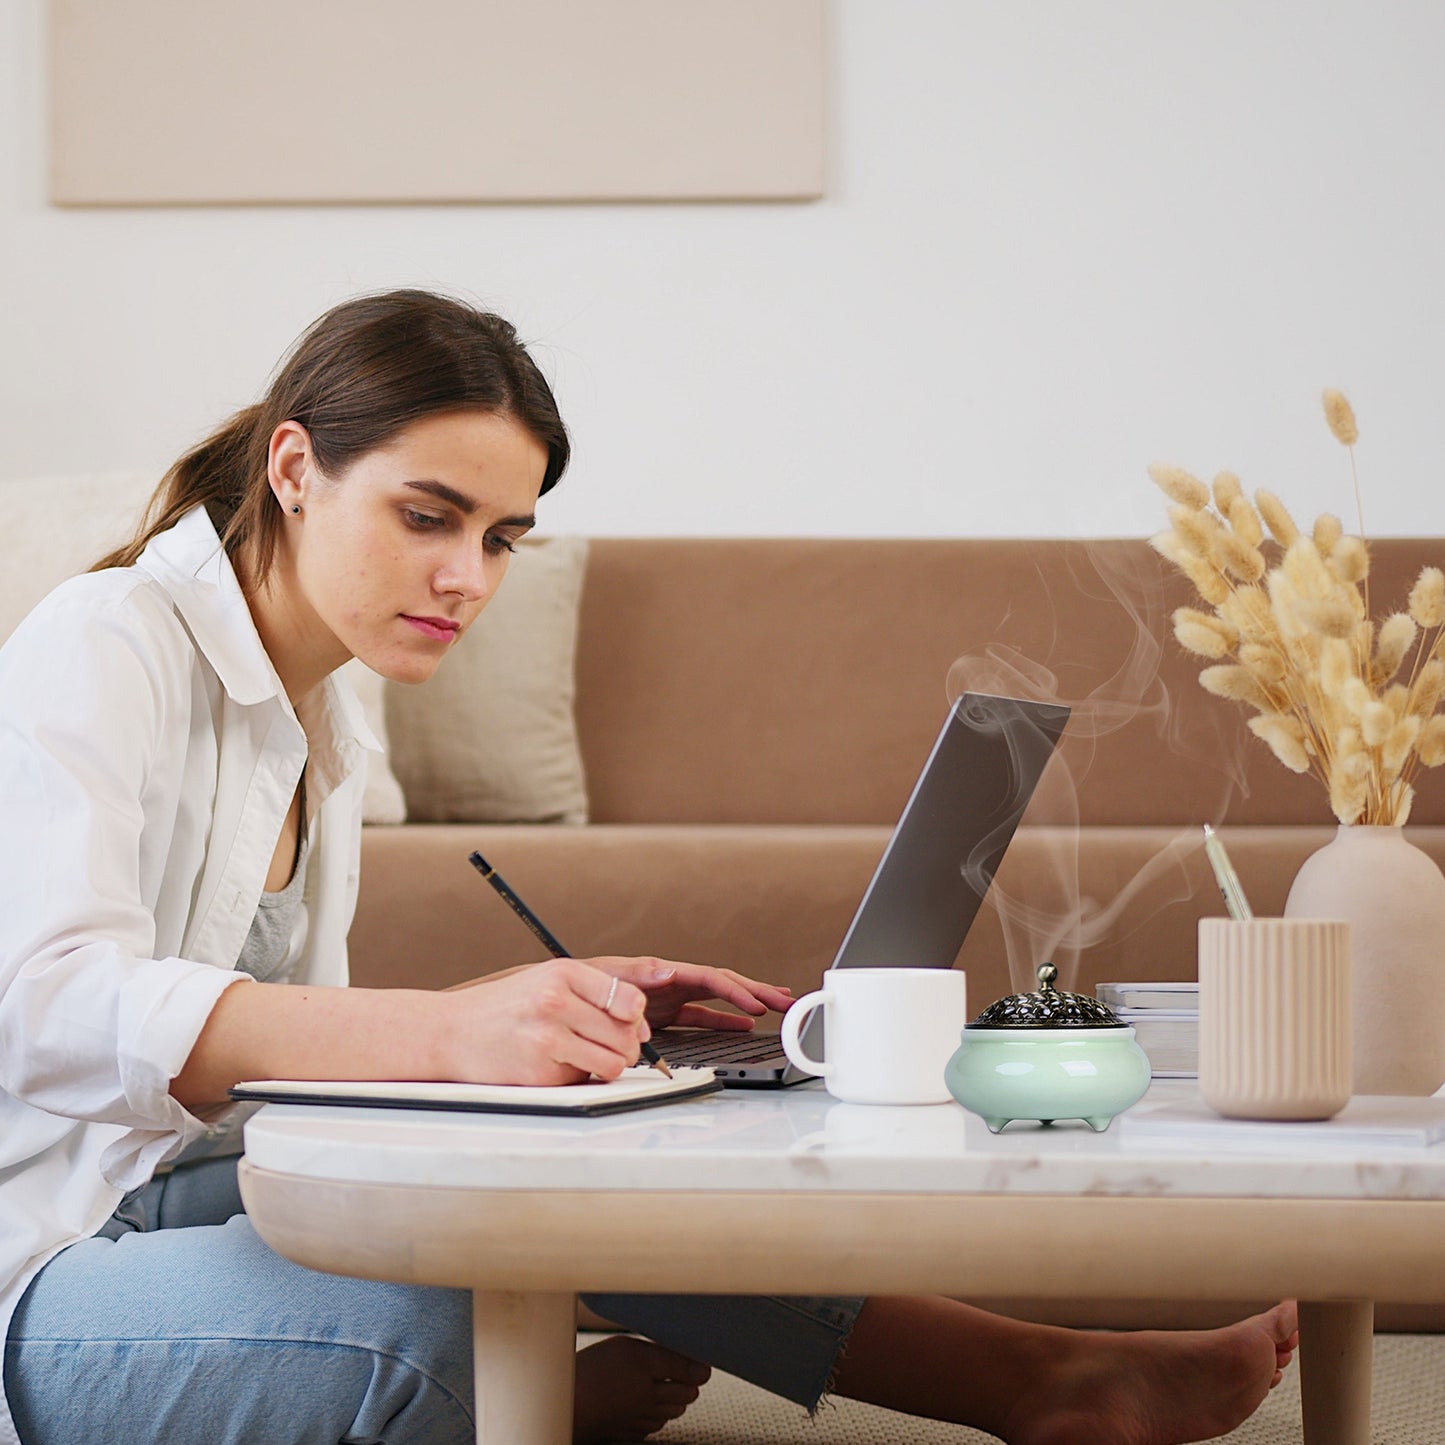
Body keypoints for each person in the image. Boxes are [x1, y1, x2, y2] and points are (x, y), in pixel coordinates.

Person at [0, 288, 1297, 1445]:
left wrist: (535, 1021)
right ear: (294, 467)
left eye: (503, 537)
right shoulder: (103, 641)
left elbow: (269, 1052)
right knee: (437, 1333)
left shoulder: (324, 713)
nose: (466, 576)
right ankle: (537, 1410)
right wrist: (446, 1034)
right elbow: (45, 1007)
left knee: (590, 1171)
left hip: (184, 1182)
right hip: (45, 1253)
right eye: (427, 516)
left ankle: (1038, 1376)